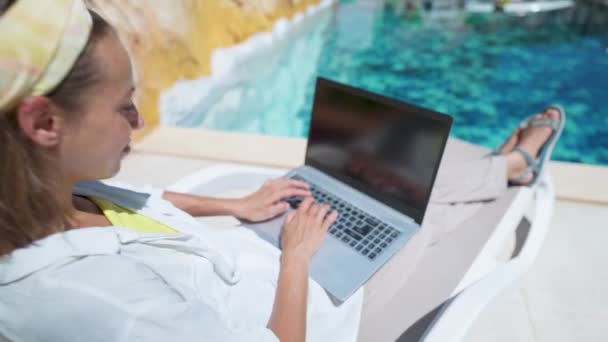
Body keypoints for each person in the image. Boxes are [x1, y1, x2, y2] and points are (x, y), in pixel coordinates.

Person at [0, 1, 564, 341]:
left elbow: (129, 197)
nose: (139, 118)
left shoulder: (49, 196)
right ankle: (511, 168)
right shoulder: (107, 309)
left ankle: (500, 166)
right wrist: (296, 258)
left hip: (260, 261)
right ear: (45, 122)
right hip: (310, 311)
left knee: (371, 184)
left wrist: (233, 206)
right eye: (124, 103)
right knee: (411, 208)